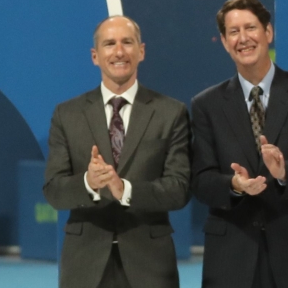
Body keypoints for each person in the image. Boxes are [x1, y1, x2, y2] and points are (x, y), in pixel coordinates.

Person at [191, 0, 288, 288]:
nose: (243, 38)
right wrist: (235, 186)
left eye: (250, 28)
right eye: (233, 32)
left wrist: (286, 173)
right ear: (224, 41)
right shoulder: (206, 105)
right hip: (232, 258)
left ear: (268, 33)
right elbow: (200, 180)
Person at [43, 16, 191, 288]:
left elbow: (179, 189)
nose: (119, 51)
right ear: (95, 56)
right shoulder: (67, 115)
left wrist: (124, 189)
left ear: (141, 51)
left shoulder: (171, 113)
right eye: (109, 44)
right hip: (84, 265)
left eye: (127, 42)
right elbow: (53, 190)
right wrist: (89, 183)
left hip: (151, 265)